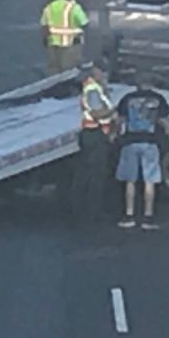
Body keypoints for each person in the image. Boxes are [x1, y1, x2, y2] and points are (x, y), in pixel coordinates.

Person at [115, 88, 169, 230]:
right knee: (150, 181)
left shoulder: (127, 98)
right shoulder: (158, 98)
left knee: (130, 181)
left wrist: (115, 136)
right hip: (150, 143)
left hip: (130, 142)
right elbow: (165, 122)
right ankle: (148, 217)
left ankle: (129, 215)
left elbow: (119, 121)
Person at [72, 66, 116, 222]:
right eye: (100, 71)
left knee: (86, 174)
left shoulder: (94, 88)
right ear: (94, 73)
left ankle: (84, 210)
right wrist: (114, 112)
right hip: (94, 136)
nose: (103, 73)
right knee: (96, 175)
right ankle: (93, 212)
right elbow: (97, 113)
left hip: (92, 135)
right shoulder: (92, 89)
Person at [39, 0, 88, 76]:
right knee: (69, 73)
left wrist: (45, 39)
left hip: (53, 43)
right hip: (71, 44)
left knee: (54, 71)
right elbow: (84, 22)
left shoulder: (50, 6)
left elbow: (44, 24)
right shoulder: (75, 7)